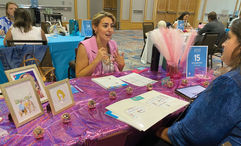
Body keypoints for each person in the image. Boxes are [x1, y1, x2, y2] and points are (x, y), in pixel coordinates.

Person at [155, 18, 241, 145]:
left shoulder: (229, 83)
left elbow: (193, 134)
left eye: (229, 38)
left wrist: (158, 131)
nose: (223, 43)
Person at [75, 11, 125, 77]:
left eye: (112, 26)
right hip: (92, 85)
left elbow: (116, 72)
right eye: (105, 26)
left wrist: (121, 65)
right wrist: (96, 61)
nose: (110, 30)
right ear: (95, 27)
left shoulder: (113, 44)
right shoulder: (84, 46)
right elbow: (79, 76)